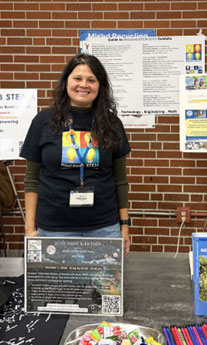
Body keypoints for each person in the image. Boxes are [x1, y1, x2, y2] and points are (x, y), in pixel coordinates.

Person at [20, 53, 131, 255]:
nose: (83, 85)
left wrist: (124, 226)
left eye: (91, 80)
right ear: (66, 82)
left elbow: (120, 180)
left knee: (104, 287)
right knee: (57, 287)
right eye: (77, 78)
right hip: (53, 229)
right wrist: (30, 228)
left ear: (100, 86)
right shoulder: (43, 121)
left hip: (104, 229)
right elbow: (31, 179)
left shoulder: (112, 124)